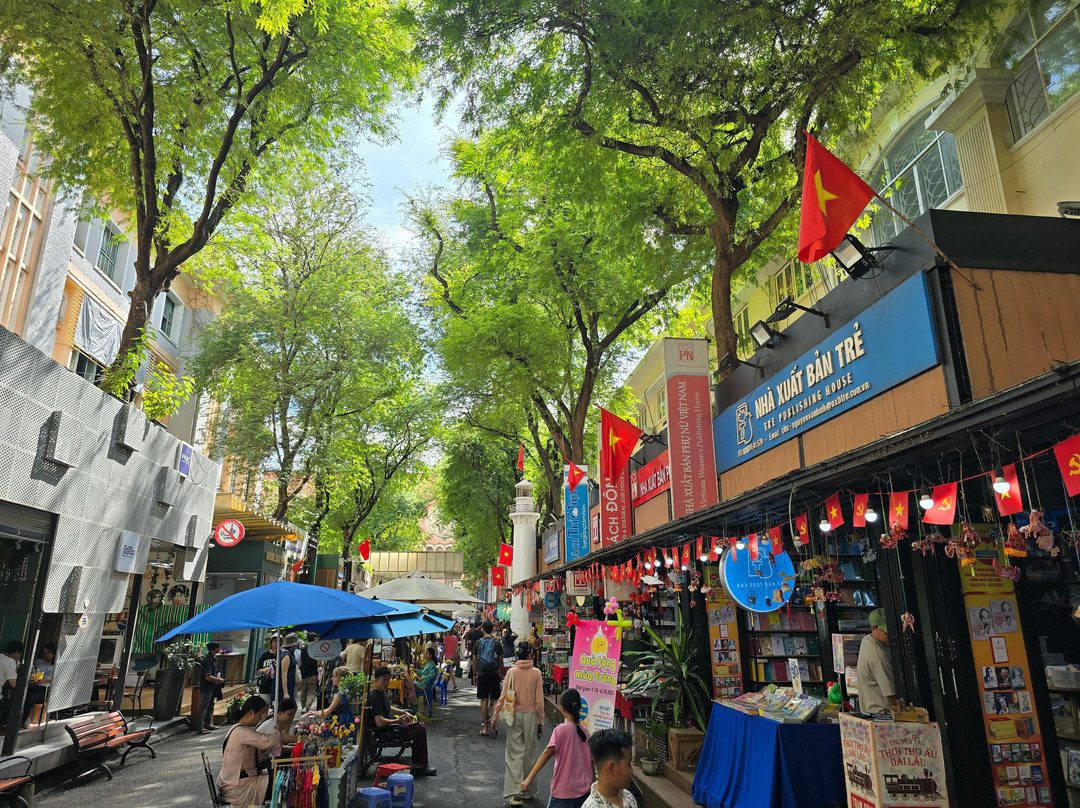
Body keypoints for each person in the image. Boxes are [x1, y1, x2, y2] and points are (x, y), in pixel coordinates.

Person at [492, 641, 546, 806]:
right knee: (530, 753)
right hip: (530, 716)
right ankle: (527, 790)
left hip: (514, 716)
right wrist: (541, 722)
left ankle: (516, 794)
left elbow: (503, 697)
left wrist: (494, 718)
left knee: (514, 754)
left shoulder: (512, 673)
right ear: (530, 653)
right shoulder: (536, 673)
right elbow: (540, 701)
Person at [522, 688, 593, 808]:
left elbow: (546, 754)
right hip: (584, 792)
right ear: (580, 708)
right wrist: (593, 782)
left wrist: (528, 779)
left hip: (563, 792)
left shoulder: (560, 731)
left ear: (562, 709)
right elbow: (591, 761)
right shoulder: (585, 732)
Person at [366, 666, 437, 776]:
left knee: (417, 724)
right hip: (389, 730)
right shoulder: (375, 696)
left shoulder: (381, 692)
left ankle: (420, 762)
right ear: (376, 680)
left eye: (388, 679)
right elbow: (379, 722)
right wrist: (398, 721)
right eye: (384, 680)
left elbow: (388, 707)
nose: (386, 682)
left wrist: (403, 712)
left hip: (394, 725)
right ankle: (418, 765)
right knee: (420, 728)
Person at [217, 696, 282, 808]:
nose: (261, 718)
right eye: (260, 715)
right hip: (238, 788)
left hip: (235, 782)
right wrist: (279, 728)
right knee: (283, 780)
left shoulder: (237, 729)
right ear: (251, 713)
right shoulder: (240, 732)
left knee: (279, 773)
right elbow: (269, 741)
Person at [582, 728, 637, 808]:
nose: (631, 770)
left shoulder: (629, 797)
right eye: (628, 764)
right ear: (611, 768)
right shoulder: (592, 806)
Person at [857, 608, 896, 714]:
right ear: (873, 628)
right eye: (885, 631)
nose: (890, 635)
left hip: (869, 710)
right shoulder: (879, 657)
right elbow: (891, 694)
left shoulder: (867, 640)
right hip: (881, 713)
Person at [473, 620, 502, 736]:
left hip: (482, 673)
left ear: (483, 630)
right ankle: (494, 726)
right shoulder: (497, 643)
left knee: (484, 700)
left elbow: (474, 660)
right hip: (494, 673)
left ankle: (485, 727)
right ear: (493, 629)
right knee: (495, 699)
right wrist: (502, 673)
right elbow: (500, 660)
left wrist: (474, 674)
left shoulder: (478, 643)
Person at [198, 641, 225, 734]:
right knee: (203, 706)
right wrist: (219, 680)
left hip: (212, 687)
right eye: (218, 647)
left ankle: (208, 723)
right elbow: (207, 676)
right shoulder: (208, 660)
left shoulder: (213, 658)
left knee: (211, 705)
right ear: (213, 649)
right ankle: (200, 726)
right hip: (207, 687)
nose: (219, 649)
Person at [297, 637, 320, 712]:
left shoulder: (303, 650)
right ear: (315, 639)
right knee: (312, 692)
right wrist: (317, 674)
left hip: (304, 675)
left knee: (303, 693)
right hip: (313, 674)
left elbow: (300, 662)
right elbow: (318, 663)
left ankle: (303, 707)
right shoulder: (316, 649)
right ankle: (306, 707)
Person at [277, 633, 299, 703]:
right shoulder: (286, 656)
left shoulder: (289, 654)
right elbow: (284, 674)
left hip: (289, 685)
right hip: (285, 687)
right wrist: (285, 692)